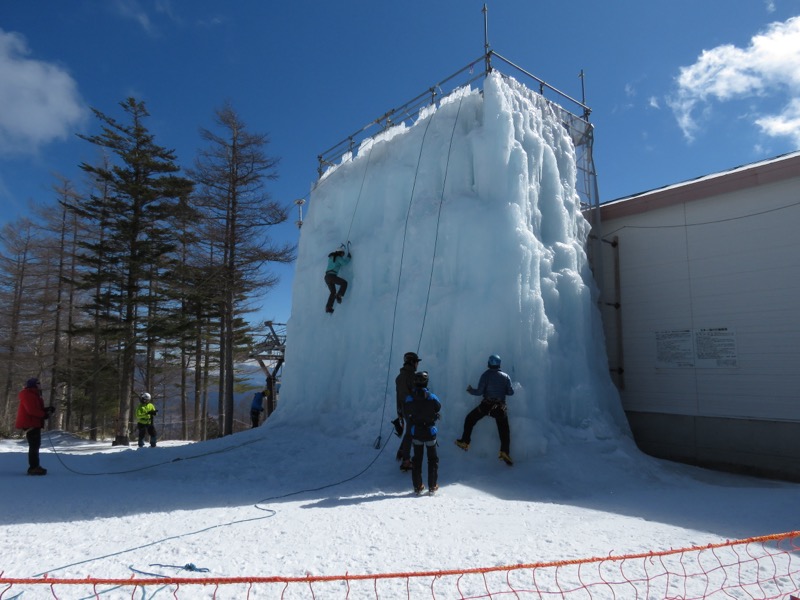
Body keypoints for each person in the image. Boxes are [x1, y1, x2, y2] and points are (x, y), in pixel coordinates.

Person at [456, 354, 515, 466]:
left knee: (470, 419)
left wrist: (470, 390)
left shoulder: (485, 375)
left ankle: (465, 442)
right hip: (500, 408)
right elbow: (511, 392)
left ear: (489, 363)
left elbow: (479, 392)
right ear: (499, 364)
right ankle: (505, 452)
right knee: (504, 431)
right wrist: (502, 390)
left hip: (486, 406)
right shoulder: (506, 376)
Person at [403, 371, 442, 495]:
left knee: (417, 459)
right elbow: (438, 407)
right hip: (430, 432)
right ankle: (432, 485)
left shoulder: (409, 398)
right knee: (432, 459)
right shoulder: (432, 397)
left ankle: (418, 486)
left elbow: (407, 410)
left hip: (417, 432)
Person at [15, 377, 54, 476]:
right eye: (38, 383)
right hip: (30, 424)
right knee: (34, 446)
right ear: (34, 385)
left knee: (35, 446)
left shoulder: (34, 395)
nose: (40, 385)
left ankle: (35, 466)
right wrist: (43, 415)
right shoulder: (29, 395)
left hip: (34, 423)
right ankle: (33, 467)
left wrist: (46, 410)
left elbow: (37, 409)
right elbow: (31, 410)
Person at [394, 351, 420, 472]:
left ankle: (402, 452)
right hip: (412, 409)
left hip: (404, 409)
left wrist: (399, 412)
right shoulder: (412, 377)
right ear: (412, 362)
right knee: (410, 434)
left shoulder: (399, 377)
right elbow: (416, 394)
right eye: (416, 362)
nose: (417, 365)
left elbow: (398, 396)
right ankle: (406, 461)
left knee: (410, 432)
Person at [324, 246, 351, 314]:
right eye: (342, 254)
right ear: (340, 252)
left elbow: (335, 263)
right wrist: (348, 257)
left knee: (333, 292)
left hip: (327, 277)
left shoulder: (331, 257)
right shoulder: (338, 257)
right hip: (332, 276)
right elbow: (344, 263)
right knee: (344, 283)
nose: (342, 255)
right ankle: (339, 295)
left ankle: (328, 307)